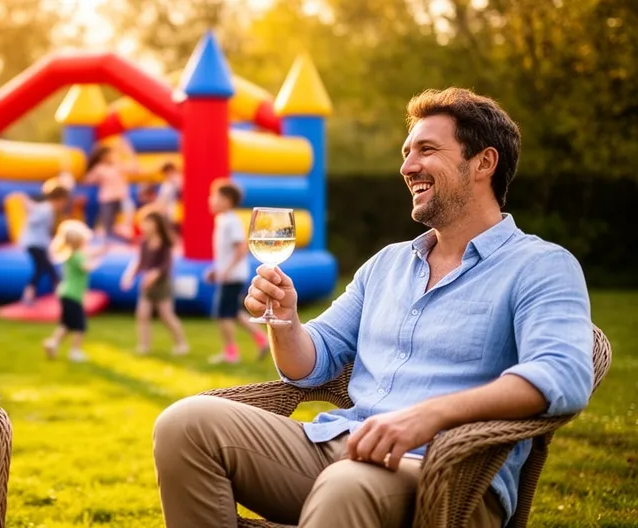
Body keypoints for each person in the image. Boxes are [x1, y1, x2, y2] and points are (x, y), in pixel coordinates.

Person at [152, 88, 595, 527]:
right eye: (406, 152)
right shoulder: (387, 264)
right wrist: (285, 321)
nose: (407, 167)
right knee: (184, 424)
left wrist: (429, 415)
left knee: (347, 483)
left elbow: (563, 374)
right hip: (342, 445)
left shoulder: (541, 266)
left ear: (484, 162)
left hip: (446, 475)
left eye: (426, 149)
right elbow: (310, 363)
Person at [205, 178, 269, 364]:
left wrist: (226, 271)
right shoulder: (222, 219)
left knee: (222, 314)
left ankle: (231, 353)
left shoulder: (231, 221)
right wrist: (216, 270)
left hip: (232, 277)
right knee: (233, 312)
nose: (210, 200)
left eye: (214, 196)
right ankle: (262, 340)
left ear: (226, 199)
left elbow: (242, 247)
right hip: (229, 275)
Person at [120, 205, 189, 356]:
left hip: (162, 285)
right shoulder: (144, 242)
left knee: (166, 315)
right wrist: (129, 275)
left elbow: (166, 265)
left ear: (157, 224)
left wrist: (155, 274)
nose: (144, 226)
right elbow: (139, 262)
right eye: (143, 222)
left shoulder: (165, 243)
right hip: (147, 285)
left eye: (147, 222)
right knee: (142, 314)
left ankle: (181, 344)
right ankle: (144, 346)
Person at [43, 219, 104, 362]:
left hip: (66, 293)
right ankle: (75, 351)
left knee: (67, 323)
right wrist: (97, 263)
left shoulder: (71, 254)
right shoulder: (77, 256)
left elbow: (88, 255)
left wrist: (100, 251)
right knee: (80, 325)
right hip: (73, 294)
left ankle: (53, 343)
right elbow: (86, 267)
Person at [16, 178, 70, 305]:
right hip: (34, 243)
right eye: (63, 201)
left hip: (38, 243)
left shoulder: (47, 209)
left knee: (40, 269)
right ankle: (61, 295)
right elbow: (32, 220)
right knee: (49, 269)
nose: (64, 205)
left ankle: (29, 295)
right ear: (59, 199)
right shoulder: (46, 209)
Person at [84, 140, 137, 243]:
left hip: (121, 197)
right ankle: (109, 241)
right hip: (107, 198)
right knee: (108, 224)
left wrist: (128, 152)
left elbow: (135, 169)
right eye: (109, 154)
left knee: (129, 209)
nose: (111, 156)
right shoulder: (100, 168)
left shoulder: (118, 166)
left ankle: (125, 230)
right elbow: (88, 179)